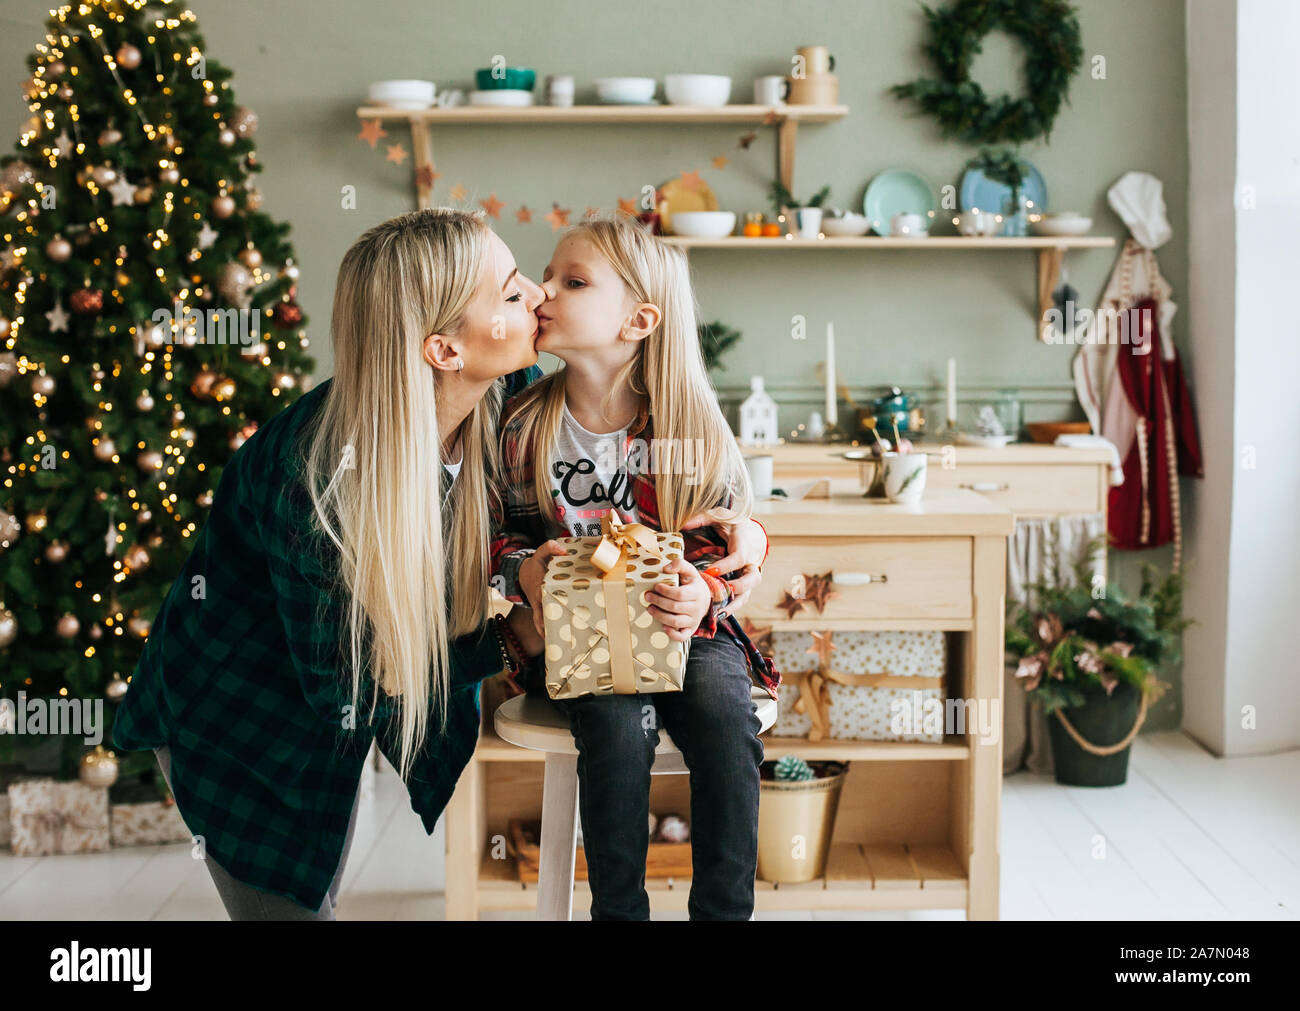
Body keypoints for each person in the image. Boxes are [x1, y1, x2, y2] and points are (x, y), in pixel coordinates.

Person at [113, 208, 547, 919]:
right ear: (444, 351)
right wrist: (512, 640)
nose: (535, 294)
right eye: (508, 293)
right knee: (294, 901)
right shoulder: (314, 482)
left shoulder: (507, 390)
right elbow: (344, 686)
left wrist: (736, 538)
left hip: (327, 697)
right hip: (233, 713)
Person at [490, 216, 779, 921]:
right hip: (582, 636)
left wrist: (701, 589)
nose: (543, 291)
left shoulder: (686, 424)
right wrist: (526, 571)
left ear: (639, 319)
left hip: (687, 629)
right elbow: (490, 539)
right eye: (549, 274)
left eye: (573, 281)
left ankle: (723, 911)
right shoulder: (523, 426)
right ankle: (618, 911)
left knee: (723, 712)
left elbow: (726, 538)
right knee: (617, 732)